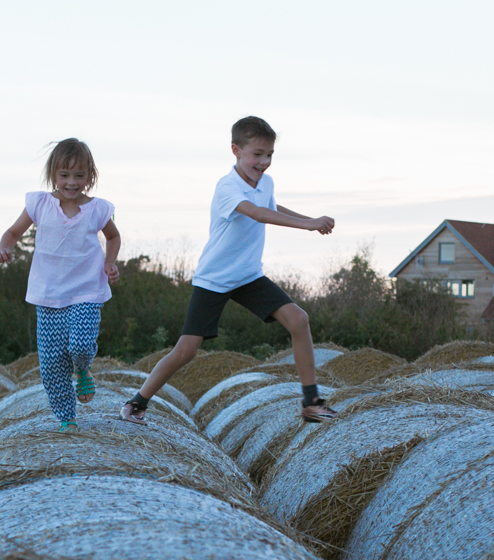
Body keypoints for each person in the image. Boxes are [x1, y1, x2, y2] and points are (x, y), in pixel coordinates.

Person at [120, 116, 337, 425]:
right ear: (236, 150)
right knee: (187, 350)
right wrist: (307, 225)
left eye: (269, 155)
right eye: (257, 154)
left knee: (299, 319)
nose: (264, 162)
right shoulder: (227, 187)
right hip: (215, 278)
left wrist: (310, 219)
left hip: (248, 275)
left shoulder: (266, 183)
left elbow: (272, 208)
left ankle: (311, 402)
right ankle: (137, 402)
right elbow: (258, 214)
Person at [0, 138, 121, 433]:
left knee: (79, 344)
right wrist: (4, 248)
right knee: (52, 364)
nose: (72, 182)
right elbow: (13, 232)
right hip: (48, 294)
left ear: (90, 176)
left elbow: (113, 237)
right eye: (65, 175)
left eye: (79, 175)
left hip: (87, 290)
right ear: (53, 175)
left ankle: (82, 367)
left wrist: (111, 263)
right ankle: (68, 418)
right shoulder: (40, 204)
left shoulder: (98, 210)